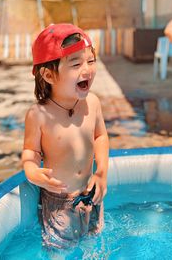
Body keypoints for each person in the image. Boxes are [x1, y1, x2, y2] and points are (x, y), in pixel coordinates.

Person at [22, 23, 109, 249]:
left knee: (93, 243)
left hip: (91, 194)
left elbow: (100, 136)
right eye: (76, 63)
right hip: (59, 202)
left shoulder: (92, 103)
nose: (87, 69)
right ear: (49, 75)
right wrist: (31, 171)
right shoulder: (39, 114)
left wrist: (101, 173)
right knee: (59, 250)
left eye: (90, 61)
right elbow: (31, 151)